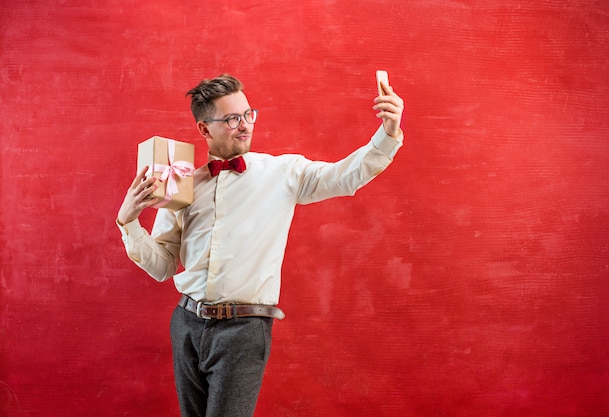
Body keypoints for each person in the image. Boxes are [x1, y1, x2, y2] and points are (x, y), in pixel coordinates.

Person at [116, 74, 405, 417]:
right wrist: (129, 222)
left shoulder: (283, 173)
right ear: (204, 129)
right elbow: (162, 265)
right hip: (186, 324)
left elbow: (345, 175)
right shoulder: (181, 186)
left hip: (243, 330)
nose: (244, 125)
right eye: (231, 119)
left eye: (248, 114)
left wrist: (387, 134)